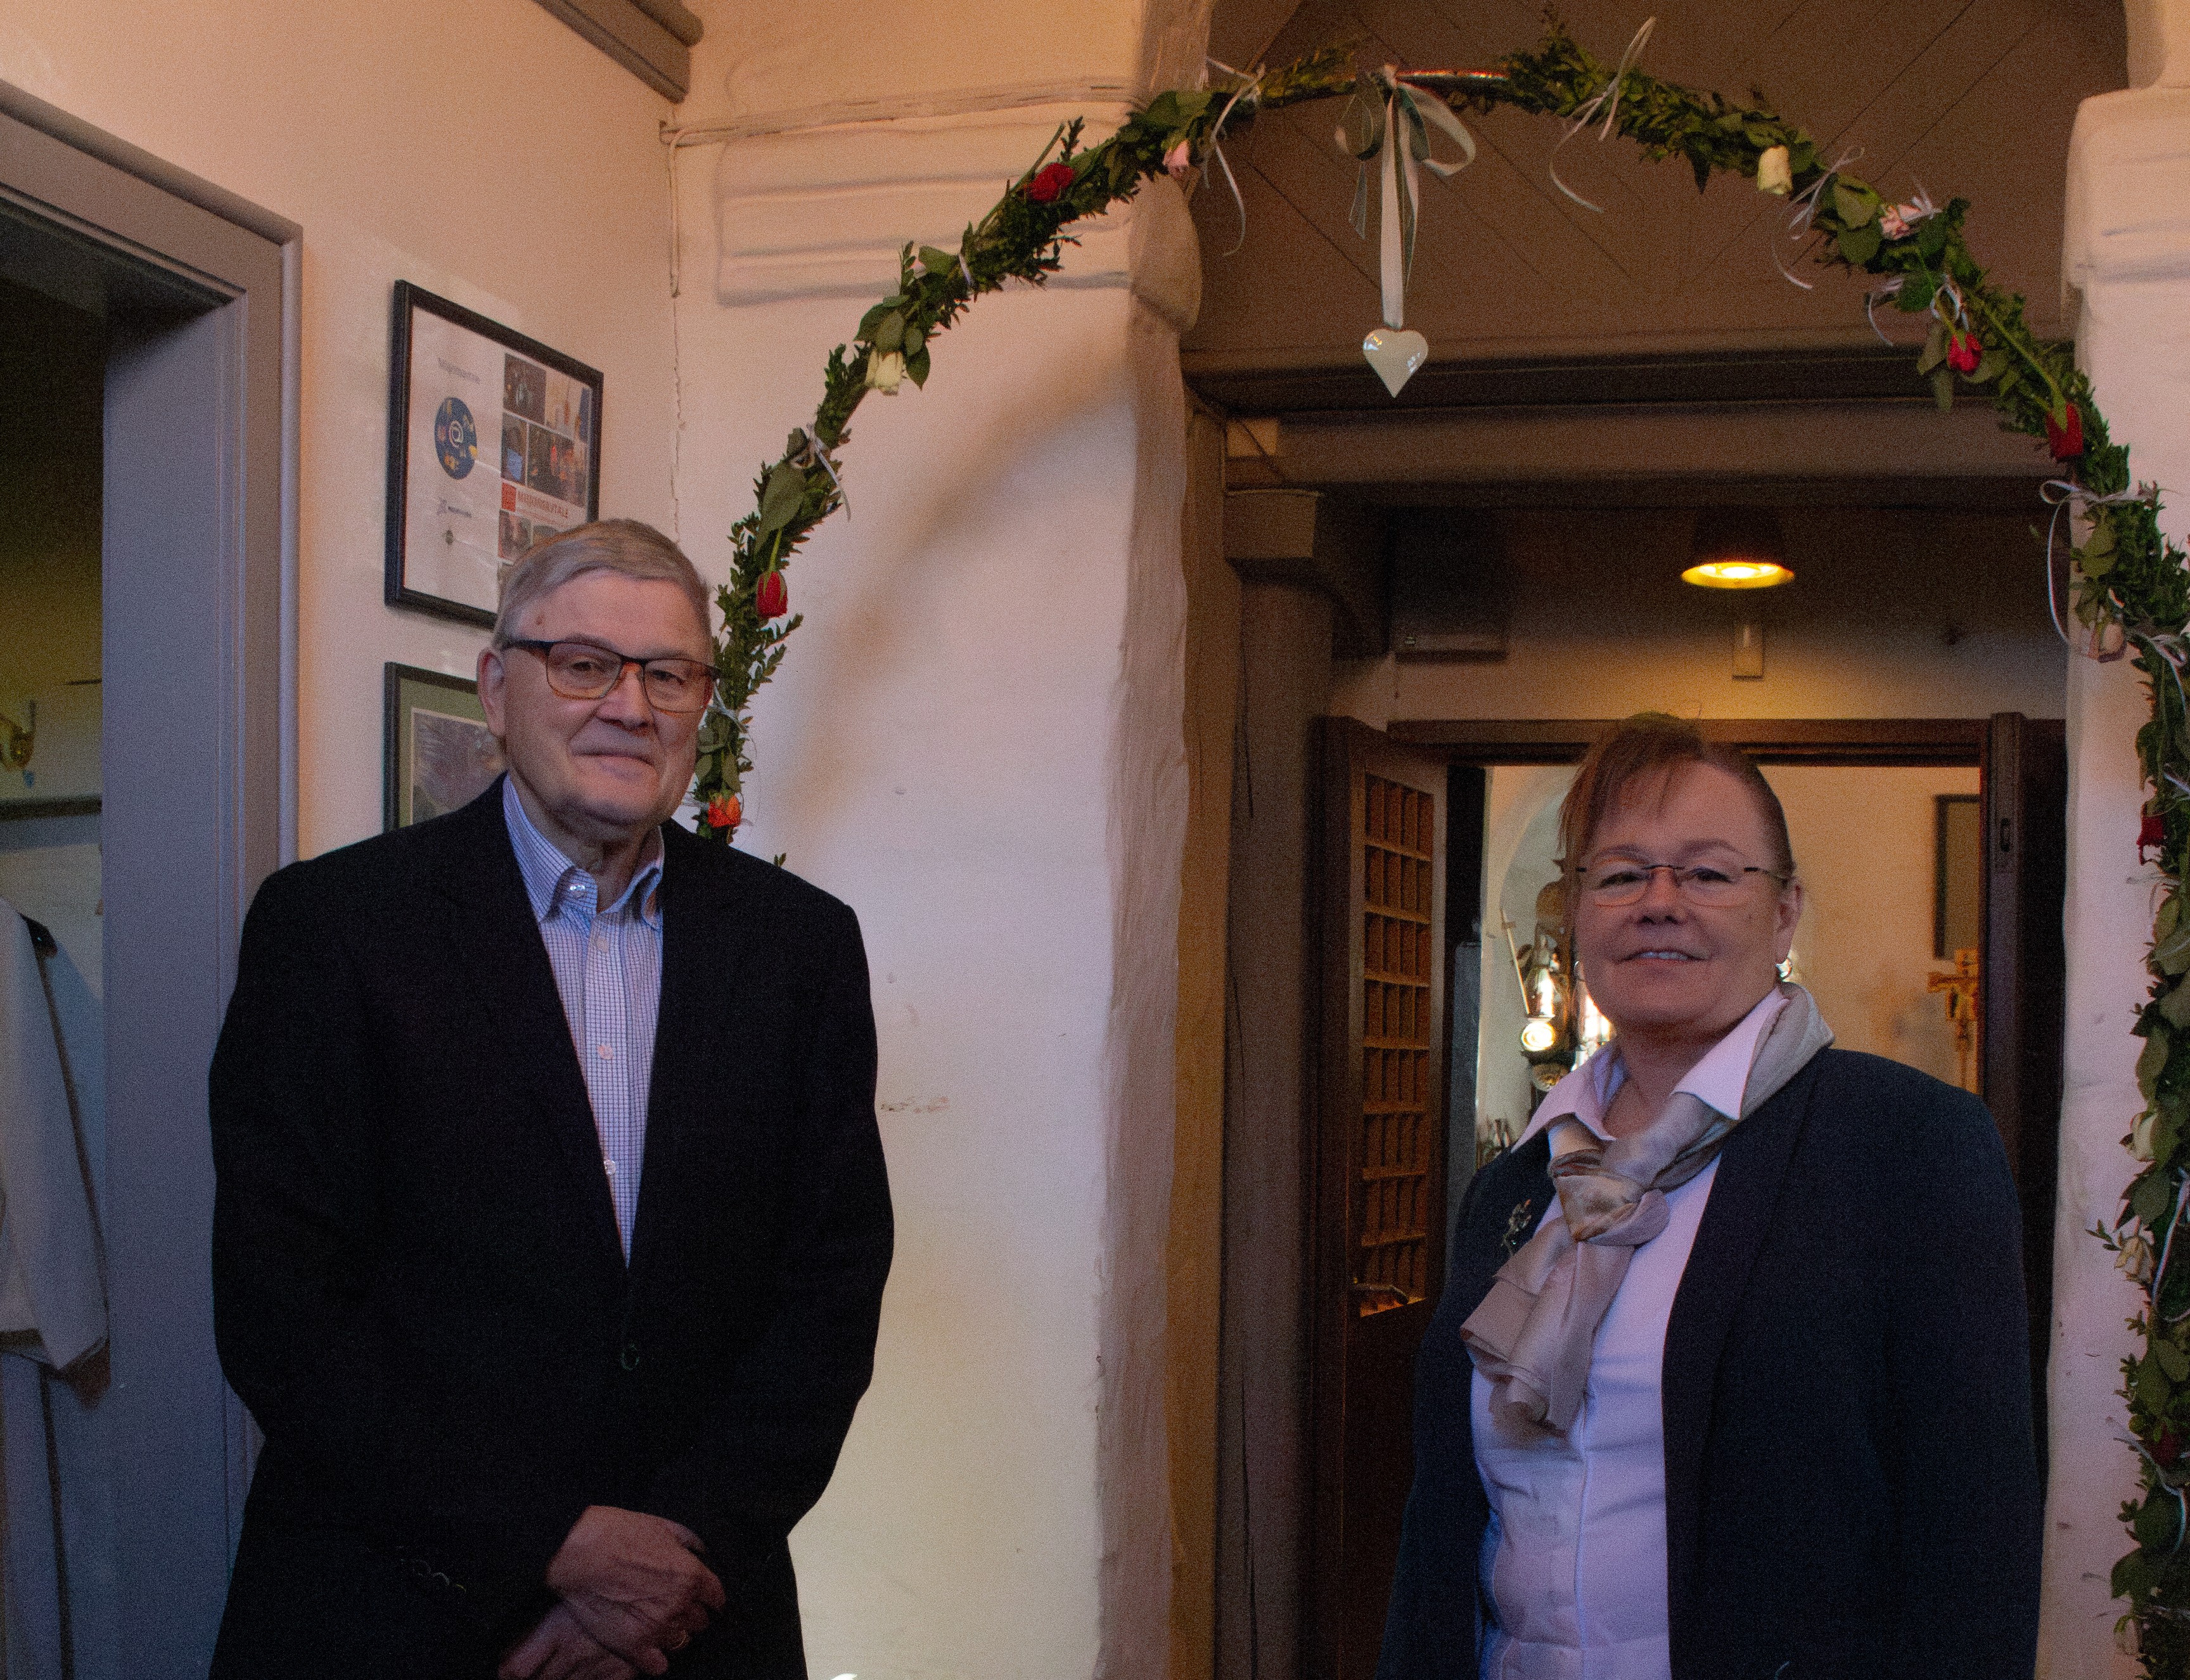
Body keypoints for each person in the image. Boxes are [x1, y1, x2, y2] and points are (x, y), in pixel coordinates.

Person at [208, 520, 892, 1680]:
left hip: (696, 1621)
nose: (629, 705)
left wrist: (669, 1570)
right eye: (583, 665)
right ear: (495, 689)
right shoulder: (333, 931)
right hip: (396, 1614)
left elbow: (828, 1290)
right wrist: (551, 1552)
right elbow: (284, 1307)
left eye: (668, 674)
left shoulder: (800, 950)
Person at [1377, 714, 2040, 1680]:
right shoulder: (1518, 1187)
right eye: (1618, 874)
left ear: (1783, 913)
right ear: (1576, 914)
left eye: (1709, 872)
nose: (1658, 902)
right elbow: (1443, 1516)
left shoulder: (1907, 1146)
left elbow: (1975, 1546)